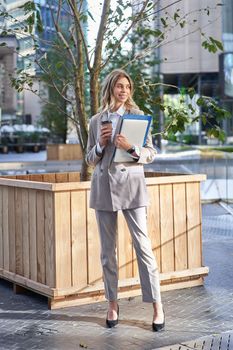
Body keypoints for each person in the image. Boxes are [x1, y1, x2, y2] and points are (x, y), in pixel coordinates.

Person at [86, 69, 164, 331]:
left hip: (132, 186)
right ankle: (112, 304)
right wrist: (99, 145)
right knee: (108, 252)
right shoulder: (96, 120)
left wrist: (132, 148)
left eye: (127, 87)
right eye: (119, 86)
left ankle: (157, 305)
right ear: (111, 88)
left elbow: (151, 152)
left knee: (143, 248)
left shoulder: (139, 118)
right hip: (104, 187)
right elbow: (89, 158)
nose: (124, 90)